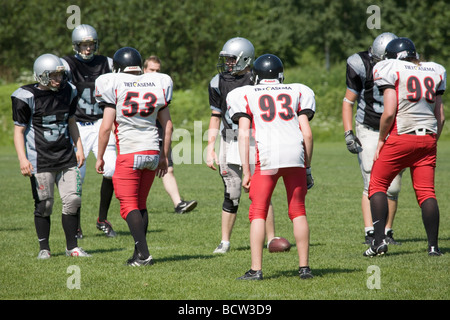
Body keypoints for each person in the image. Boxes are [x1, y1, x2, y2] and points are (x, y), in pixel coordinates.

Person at [228, 54, 315, 280]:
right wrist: (307, 167)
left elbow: (244, 134)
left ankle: (256, 270)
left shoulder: (245, 93)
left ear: (256, 76)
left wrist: (247, 171)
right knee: (298, 210)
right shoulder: (297, 91)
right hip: (295, 154)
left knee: (258, 211)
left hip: (267, 158)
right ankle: (304, 268)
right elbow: (306, 133)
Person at [365, 38, 446, 257]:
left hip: (401, 135)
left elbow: (389, 111)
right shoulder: (435, 69)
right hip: (428, 137)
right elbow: (441, 115)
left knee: (377, 185)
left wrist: (381, 140)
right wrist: (431, 140)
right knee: (426, 192)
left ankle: (379, 243)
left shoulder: (389, 67)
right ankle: (433, 247)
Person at [95, 47, 174, 266]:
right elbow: (168, 126)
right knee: (140, 204)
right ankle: (137, 254)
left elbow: (105, 128)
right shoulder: (156, 83)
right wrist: (164, 157)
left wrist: (100, 156)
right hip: (151, 152)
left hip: (129, 152)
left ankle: (145, 255)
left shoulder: (114, 84)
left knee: (128, 205)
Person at [207, 37, 282, 254]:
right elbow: (215, 115)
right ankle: (225, 241)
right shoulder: (217, 81)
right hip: (229, 138)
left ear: (245, 58)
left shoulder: (258, 79)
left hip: (255, 139)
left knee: (261, 191)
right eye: (226, 59)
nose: (228, 64)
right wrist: (210, 146)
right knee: (231, 191)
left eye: (232, 59)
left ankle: (271, 239)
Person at [12, 53, 90, 259]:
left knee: (73, 200)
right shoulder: (26, 96)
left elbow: (72, 121)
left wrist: (79, 147)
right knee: (44, 205)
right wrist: (22, 158)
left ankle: (72, 247)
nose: (58, 79)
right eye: (53, 75)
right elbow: (19, 131)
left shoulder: (69, 91)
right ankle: (44, 249)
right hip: (41, 158)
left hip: (66, 156)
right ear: (41, 75)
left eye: (60, 75)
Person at [342, 32, 403, 245]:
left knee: (393, 186)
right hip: (368, 127)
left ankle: (387, 231)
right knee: (371, 181)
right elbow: (349, 101)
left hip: (394, 128)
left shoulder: (404, 66)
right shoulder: (360, 64)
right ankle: (370, 231)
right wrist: (349, 132)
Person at [61, 24, 117, 238]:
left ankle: (102, 219)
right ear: (76, 45)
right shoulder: (66, 64)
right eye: (84, 45)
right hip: (78, 126)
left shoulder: (108, 63)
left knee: (111, 170)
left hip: (103, 123)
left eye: (91, 44)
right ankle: (75, 225)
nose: (87, 48)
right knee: (77, 178)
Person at [143, 55, 197, 213]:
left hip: (159, 130)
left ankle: (178, 204)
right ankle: (134, 205)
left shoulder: (162, 87)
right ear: (144, 70)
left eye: (157, 71)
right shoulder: (134, 87)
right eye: (151, 70)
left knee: (168, 168)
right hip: (140, 134)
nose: (155, 74)